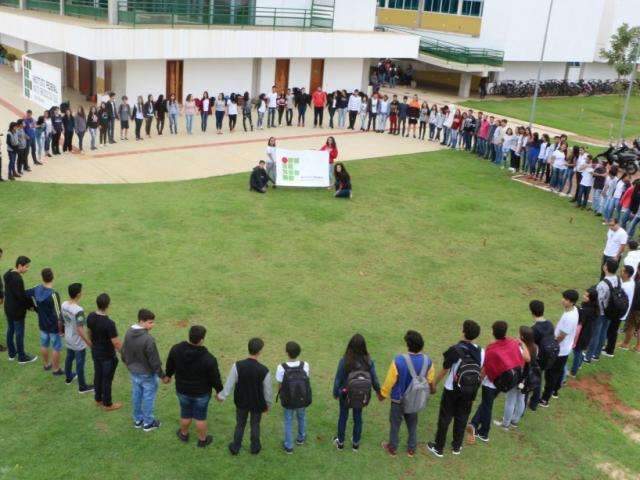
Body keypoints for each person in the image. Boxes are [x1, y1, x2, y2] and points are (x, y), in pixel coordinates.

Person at [427, 320, 481, 458]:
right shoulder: (481, 351)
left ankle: (439, 448)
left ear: (463, 332)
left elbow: (445, 370)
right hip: (469, 389)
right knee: (462, 417)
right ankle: (457, 446)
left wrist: (433, 384)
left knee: (445, 418)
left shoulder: (455, 349)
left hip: (451, 388)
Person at [165, 325, 223, 448]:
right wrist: (219, 391)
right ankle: (202, 440)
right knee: (200, 417)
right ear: (202, 339)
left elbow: (170, 364)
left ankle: (184, 434)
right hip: (201, 393)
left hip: (182, 390)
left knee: (185, 413)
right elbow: (215, 378)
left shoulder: (176, 349)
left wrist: (168, 375)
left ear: (189, 336)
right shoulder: (209, 359)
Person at [380, 330, 435, 457]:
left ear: (408, 345)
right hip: (415, 398)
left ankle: (392, 448)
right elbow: (430, 380)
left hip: (398, 400)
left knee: (395, 424)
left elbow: (390, 381)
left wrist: (382, 395)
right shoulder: (428, 361)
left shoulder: (398, 360)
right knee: (412, 424)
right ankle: (411, 449)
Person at [468, 321, 525, 442]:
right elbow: (520, 358)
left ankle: (484, 433)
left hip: (491, 383)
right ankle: (473, 423)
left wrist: (478, 382)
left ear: (493, 332)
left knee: (487, 406)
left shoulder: (491, 349)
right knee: (485, 403)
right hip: (504, 382)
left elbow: (486, 368)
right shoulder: (512, 343)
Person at [218, 337, 272, 455]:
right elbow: (268, 391)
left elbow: (229, 383)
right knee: (255, 425)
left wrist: (222, 396)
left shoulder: (237, 366)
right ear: (259, 351)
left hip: (241, 401)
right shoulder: (264, 370)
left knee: (240, 424)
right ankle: (255, 448)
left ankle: (235, 447)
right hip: (257, 403)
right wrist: (268, 404)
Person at [332, 333, 382, 451]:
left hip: (345, 394)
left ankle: (340, 442)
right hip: (361, 395)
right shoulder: (369, 362)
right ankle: (355, 444)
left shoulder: (345, 361)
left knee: (343, 417)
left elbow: (338, 379)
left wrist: (335, 393)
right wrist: (378, 391)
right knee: (358, 417)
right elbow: (374, 379)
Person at [121, 309, 164, 431]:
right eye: (150, 322)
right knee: (148, 397)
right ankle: (148, 423)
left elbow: (123, 352)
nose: (152, 325)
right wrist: (162, 375)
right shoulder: (148, 339)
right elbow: (154, 361)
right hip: (147, 374)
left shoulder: (129, 332)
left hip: (134, 372)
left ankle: (138, 420)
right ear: (141, 321)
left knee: (136, 395)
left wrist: (127, 364)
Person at [540, 290, 580, 407]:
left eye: (566, 299)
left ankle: (545, 399)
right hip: (564, 349)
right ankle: (555, 391)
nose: (563, 300)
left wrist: (552, 344)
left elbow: (561, 336)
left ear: (571, 302)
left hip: (560, 350)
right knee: (557, 372)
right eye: (563, 297)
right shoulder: (574, 310)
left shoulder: (569, 317)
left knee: (550, 375)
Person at [87, 293, 122, 411]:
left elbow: (89, 332)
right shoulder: (109, 324)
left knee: (98, 375)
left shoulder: (91, 316)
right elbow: (116, 343)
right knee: (107, 379)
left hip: (96, 352)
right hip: (107, 356)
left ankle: (98, 399)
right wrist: (125, 354)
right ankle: (107, 404)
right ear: (108, 305)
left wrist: (93, 345)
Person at [276, 341, 311, 454]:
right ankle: (301, 438)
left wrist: (282, 395)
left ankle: (289, 446)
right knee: (301, 417)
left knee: (288, 421)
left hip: (288, 399)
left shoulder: (281, 367)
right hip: (302, 398)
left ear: (287, 352)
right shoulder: (305, 365)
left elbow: (280, 385)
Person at [26, 268, 63, 374]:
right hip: (53, 326)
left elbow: (25, 293)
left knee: (44, 345)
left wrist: (32, 306)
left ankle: (46, 365)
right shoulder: (53, 294)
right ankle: (56, 369)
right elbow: (58, 313)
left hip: (42, 324)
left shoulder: (37, 288)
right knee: (56, 347)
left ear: (42, 278)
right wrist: (61, 330)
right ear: (52, 277)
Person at [61, 282, 93, 393]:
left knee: (69, 357)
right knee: (80, 363)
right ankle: (82, 387)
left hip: (68, 337)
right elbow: (80, 329)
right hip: (77, 341)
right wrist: (89, 343)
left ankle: (68, 377)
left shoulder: (64, 304)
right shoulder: (78, 310)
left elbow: (61, 320)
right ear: (78, 294)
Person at [4, 256, 37, 363]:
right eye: (26, 267)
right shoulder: (18, 279)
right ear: (20, 266)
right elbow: (21, 297)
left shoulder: (8, 273)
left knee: (10, 330)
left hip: (8, 308)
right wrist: (31, 306)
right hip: (17, 311)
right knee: (19, 333)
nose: (27, 269)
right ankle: (22, 357)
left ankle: (12, 354)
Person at [528, 300, 556, 410]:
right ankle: (534, 401)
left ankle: (533, 402)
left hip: (538, 358)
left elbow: (531, 346)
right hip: (549, 356)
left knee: (535, 379)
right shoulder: (549, 324)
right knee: (539, 377)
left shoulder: (534, 329)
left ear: (532, 312)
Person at [603, 264, 634, 357]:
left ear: (627, 274)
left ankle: (609, 351)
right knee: (612, 330)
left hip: (619, 312)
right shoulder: (631, 281)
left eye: (623, 271)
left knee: (612, 331)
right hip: (622, 311)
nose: (620, 271)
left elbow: (617, 298)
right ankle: (608, 347)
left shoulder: (625, 286)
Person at [570, 287, 598, 377]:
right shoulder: (593, 307)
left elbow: (580, 321)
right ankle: (580, 364)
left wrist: (578, 310)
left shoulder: (587, 310)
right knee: (579, 350)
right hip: (588, 333)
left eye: (586, 296)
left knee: (577, 351)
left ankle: (573, 372)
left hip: (582, 335)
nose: (583, 296)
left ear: (591, 298)